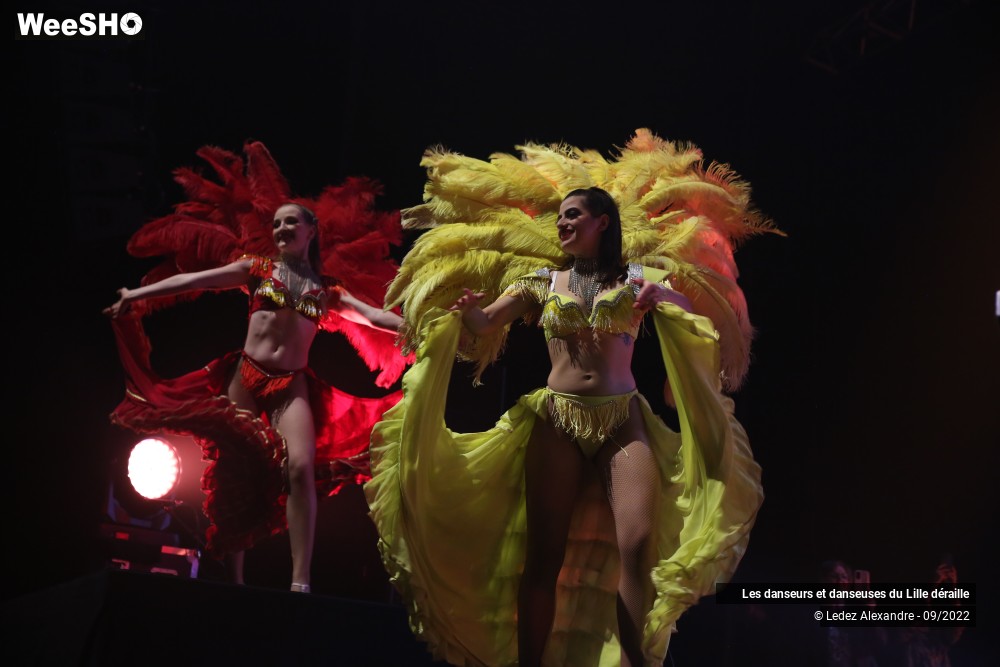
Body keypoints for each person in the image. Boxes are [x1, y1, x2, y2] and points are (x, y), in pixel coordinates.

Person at [368, 130, 768, 667]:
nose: (563, 223)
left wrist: (663, 294)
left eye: (573, 215)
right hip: (555, 419)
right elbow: (485, 323)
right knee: (544, 557)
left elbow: (686, 308)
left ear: (603, 223)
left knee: (637, 546)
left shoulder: (637, 277)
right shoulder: (541, 282)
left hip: (622, 419)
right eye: (560, 216)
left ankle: (634, 661)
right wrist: (467, 312)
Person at [107, 201, 403, 592]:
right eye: (276, 223)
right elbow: (197, 280)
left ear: (310, 231)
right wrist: (137, 293)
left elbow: (376, 317)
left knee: (299, 468)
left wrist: (422, 327)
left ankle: (300, 580)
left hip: (290, 383)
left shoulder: (327, 290)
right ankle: (236, 581)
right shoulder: (256, 269)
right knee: (236, 471)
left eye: (290, 222)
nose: (281, 229)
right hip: (245, 376)